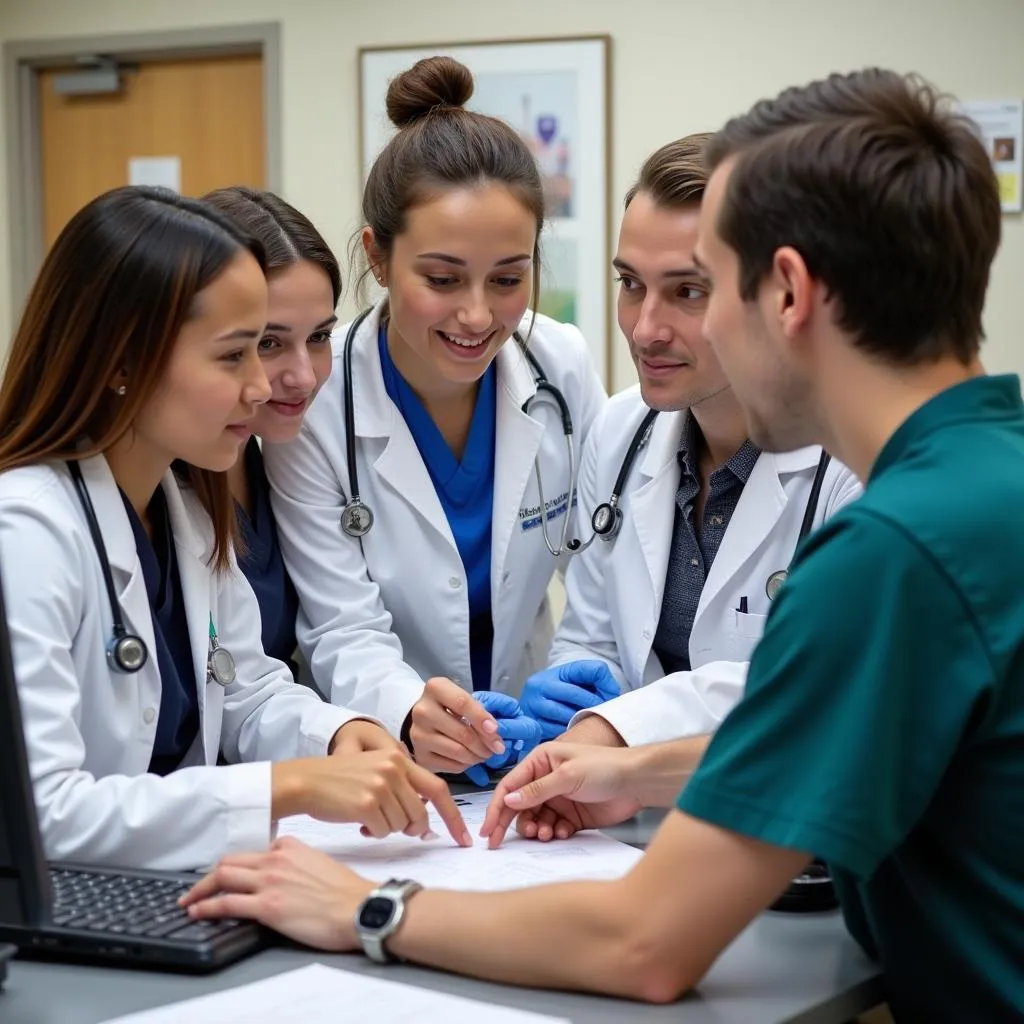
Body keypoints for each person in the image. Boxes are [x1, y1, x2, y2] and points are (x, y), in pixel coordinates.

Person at [184, 69, 1024, 1021]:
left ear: (783, 292)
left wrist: (370, 907)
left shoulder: (896, 554)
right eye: (632, 285)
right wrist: (629, 768)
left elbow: (648, 944)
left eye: (703, 286)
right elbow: (832, 744)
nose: (653, 331)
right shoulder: (990, 482)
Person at [0, 185, 469, 872]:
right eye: (235, 356)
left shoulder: (183, 508)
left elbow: (246, 689)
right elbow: (42, 817)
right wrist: (290, 786)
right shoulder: (28, 536)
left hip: (161, 891)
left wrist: (342, 735)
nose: (266, 385)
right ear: (124, 362)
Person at [263, 56, 606, 783]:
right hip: (384, 762)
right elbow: (340, 626)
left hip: (540, 747)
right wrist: (410, 710)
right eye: (442, 279)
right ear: (378, 259)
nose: (479, 315)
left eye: (509, 278)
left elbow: (601, 569)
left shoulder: (562, 365)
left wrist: (577, 687)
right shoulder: (316, 406)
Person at [518, 133, 860, 749]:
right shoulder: (621, 432)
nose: (645, 329)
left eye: (688, 292)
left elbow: (825, 688)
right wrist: (569, 690)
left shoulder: (851, 466)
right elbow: (593, 638)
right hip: (618, 828)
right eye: (630, 284)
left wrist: (620, 728)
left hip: (788, 831)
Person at [201, 186, 340, 676]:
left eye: (320, 337)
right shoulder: (153, 483)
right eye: (268, 342)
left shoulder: (263, 458)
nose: (303, 376)